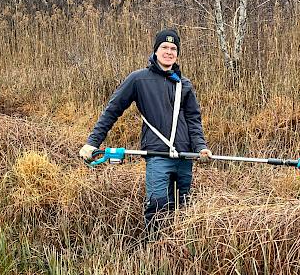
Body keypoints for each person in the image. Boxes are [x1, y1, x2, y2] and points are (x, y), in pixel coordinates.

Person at [79, 29, 212, 232]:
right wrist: (92, 142)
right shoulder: (138, 79)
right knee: (157, 206)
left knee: (182, 207)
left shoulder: (184, 84)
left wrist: (201, 147)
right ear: (156, 51)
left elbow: (193, 120)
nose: (169, 52)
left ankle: (177, 252)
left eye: (173, 48)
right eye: (164, 47)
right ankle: (155, 249)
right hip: (157, 154)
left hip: (185, 155)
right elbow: (112, 110)